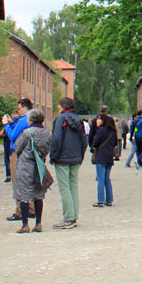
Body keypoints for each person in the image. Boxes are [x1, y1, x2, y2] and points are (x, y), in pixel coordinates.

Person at [11, 107, 52, 233]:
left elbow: (17, 148)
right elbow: (47, 150)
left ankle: (25, 224)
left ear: (30, 120)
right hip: (39, 166)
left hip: (25, 166)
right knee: (38, 195)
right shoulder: (47, 133)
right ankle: (38, 223)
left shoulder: (26, 133)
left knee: (24, 195)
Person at [49, 97, 87, 229]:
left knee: (64, 188)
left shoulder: (61, 119)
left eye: (59, 106)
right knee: (73, 187)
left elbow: (57, 138)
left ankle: (68, 218)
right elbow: (84, 140)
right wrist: (80, 156)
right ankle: (74, 215)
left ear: (63, 106)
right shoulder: (79, 120)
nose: (58, 109)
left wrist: (54, 155)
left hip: (62, 158)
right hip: (75, 158)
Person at [2, 98, 33, 220]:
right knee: (27, 181)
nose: (18, 111)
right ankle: (30, 208)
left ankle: (20, 211)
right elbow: (19, 130)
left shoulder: (23, 119)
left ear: (25, 108)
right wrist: (12, 123)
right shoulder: (30, 118)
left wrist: (6, 125)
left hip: (17, 152)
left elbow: (13, 136)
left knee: (17, 182)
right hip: (27, 152)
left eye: (19, 108)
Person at [89, 112, 118, 206]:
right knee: (107, 179)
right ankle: (109, 200)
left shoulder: (101, 130)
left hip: (101, 156)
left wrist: (92, 148)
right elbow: (114, 144)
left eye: (99, 119)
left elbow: (95, 143)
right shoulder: (112, 131)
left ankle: (100, 200)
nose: (97, 121)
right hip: (109, 157)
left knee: (100, 179)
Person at [1, 108, 15, 182]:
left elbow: (1, 133)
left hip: (8, 144)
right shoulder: (18, 122)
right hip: (13, 145)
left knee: (8, 160)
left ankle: (9, 175)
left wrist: (6, 125)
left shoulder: (9, 125)